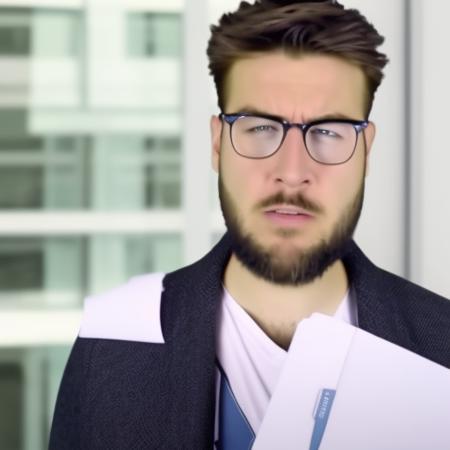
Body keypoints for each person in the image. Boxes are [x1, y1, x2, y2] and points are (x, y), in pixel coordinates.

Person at [49, 1, 450, 448]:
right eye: (259, 127)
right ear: (218, 144)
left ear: (366, 151)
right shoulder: (109, 348)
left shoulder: (445, 344)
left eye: (329, 131)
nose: (292, 171)